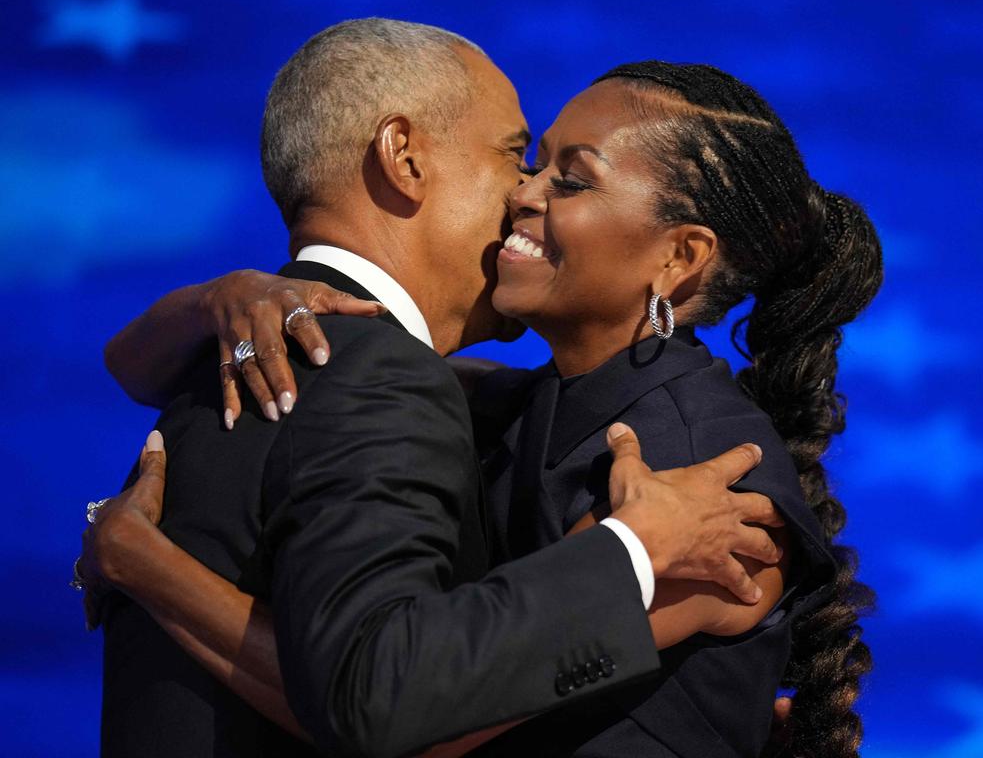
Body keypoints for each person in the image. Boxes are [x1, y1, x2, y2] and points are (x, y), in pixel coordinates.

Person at [87, 55, 882, 758]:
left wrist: (150, 568)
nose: (522, 195)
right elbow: (141, 366)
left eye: (568, 179)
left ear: (678, 257)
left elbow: (414, 719)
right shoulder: (521, 408)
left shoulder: (702, 481)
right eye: (527, 163)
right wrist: (227, 296)